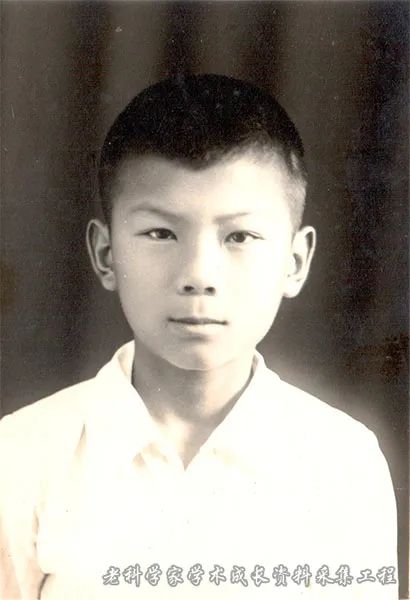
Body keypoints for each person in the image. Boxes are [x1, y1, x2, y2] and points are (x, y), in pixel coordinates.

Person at [0, 74, 398, 599]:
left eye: (240, 236)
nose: (198, 274)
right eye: (160, 233)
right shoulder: (21, 455)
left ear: (296, 261)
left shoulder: (343, 462)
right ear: (105, 254)